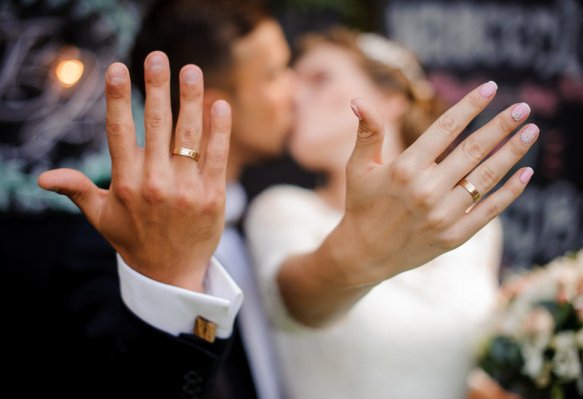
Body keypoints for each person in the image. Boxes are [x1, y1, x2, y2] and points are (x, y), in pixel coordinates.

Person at [37, 0, 539, 397]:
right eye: (277, 74)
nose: (294, 91)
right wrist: (170, 281)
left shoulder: (256, 210)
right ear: (216, 107)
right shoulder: (116, 238)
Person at [244, 27, 536, 398]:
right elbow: (299, 306)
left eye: (319, 78)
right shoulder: (282, 209)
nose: (294, 96)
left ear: (392, 98)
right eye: (289, 82)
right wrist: (357, 253)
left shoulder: (477, 228)